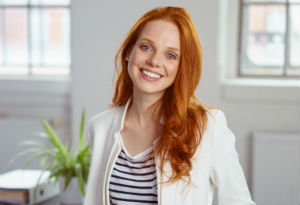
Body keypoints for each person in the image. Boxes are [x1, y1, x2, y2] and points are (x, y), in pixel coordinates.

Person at [84, 6, 255, 205]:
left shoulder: (207, 126)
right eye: (146, 47)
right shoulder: (100, 127)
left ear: (181, 67)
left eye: (171, 55)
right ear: (129, 51)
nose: (154, 61)